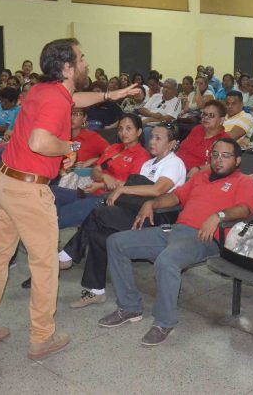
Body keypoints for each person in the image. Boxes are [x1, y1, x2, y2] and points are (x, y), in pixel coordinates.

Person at [0, 38, 141, 360]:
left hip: (5, 181)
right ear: (67, 67)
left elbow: (74, 97)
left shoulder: (43, 90)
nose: (86, 62)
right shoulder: (56, 100)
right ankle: (41, 337)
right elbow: (40, 140)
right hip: (28, 190)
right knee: (45, 263)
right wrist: (68, 148)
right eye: (81, 58)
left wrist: (108, 95)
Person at [98, 138, 253, 346]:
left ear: (237, 161)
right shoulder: (201, 176)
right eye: (215, 155)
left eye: (225, 156)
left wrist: (218, 216)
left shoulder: (244, 182)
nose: (219, 160)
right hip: (175, 230)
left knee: (166, 262)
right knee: (116, 242)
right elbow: (176, 198)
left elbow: (244, 210)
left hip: (205, 237)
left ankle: (165, 322)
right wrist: (152, 202)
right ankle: (129, 307)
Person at [60, 123, 187, 308]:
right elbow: (134, 194)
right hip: (135, 212)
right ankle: (95, 291)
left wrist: (122, 189)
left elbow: (157, 190)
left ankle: (68, 254)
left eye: (159, 138)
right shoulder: (148, 163)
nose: (152, 141)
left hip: (158, 218)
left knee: (99, 212)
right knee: (98, 235)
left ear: (172, 143)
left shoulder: (174, 163)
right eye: (152, 137)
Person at [51, 113, 150, 229]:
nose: (123, 133)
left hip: (106, 199)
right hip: (89, 192)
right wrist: (104, 176)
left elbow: (131, 186)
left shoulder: (141, 156)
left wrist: (102, 184)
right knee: (51, 192)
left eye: (129, 129)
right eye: (121, 129)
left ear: (138, 132)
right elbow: (95, 171)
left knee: (59, 216)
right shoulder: (114, 148)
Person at [176, 100, 229, 177]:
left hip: (194, 175)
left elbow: (221, 165)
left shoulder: (224, 140)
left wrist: (199, 169)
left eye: (211, 115)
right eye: (204, 114)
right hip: (174, 166)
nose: (206, 118)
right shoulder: (197, 129)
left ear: (221, 120)